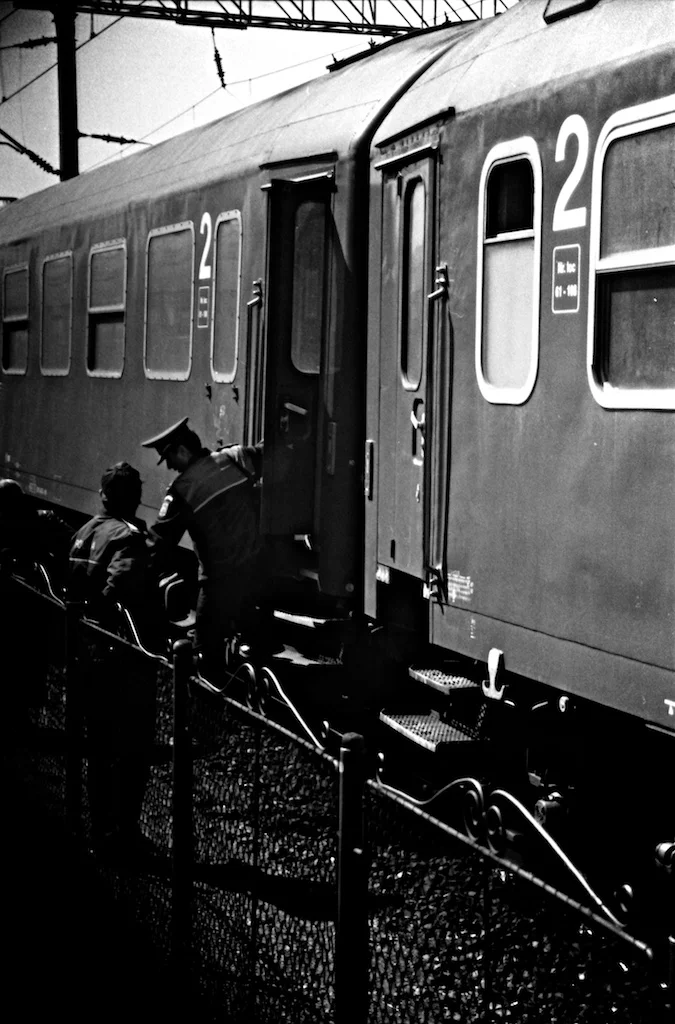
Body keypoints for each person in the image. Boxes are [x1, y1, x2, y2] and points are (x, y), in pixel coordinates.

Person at [68, 462, 161, 857]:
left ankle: (98, 827)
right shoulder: (129, 538)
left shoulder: (83, 532)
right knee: (131, 749)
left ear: (103, 495)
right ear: (135, 498)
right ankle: (122, 834)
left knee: (98, 746)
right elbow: (122, 590)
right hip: (120, 662)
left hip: (86, 655)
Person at [141, 417, 265, 680]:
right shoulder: (235, 457)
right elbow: (269, 451)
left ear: (182, 451)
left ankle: (211, 696)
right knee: (257, 645)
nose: (170, 466)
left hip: (218, 583)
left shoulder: (183, 490)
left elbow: (159, 543)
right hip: (256, 573)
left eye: (169, 458)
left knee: (205, 656)